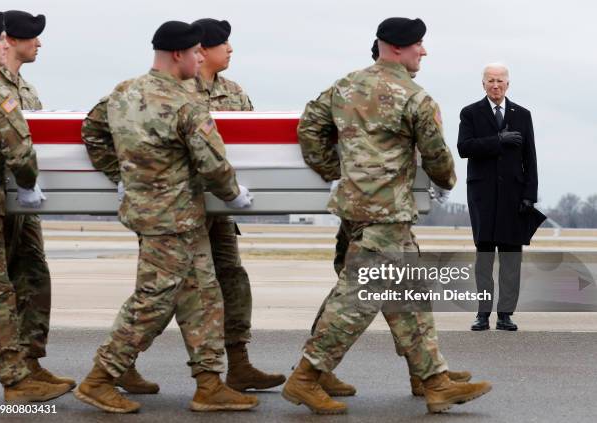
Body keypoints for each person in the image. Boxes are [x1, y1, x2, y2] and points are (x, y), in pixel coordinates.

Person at [283, 17, 492, 414]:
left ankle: (432, 378)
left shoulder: (345, 85)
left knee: (408, 292)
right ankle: (306, 377)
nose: (423, 52)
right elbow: (438, 158)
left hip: (355, 207)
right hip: (386, 213)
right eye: (419, 45)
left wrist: (336, 169)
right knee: (360, 297)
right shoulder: (415, 97)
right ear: (397, 48)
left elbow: (309, 124)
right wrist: (446, 178)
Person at [76, 20, 259, 413]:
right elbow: (212, 162)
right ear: (178, 54)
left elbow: (91, 131)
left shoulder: (123, 93)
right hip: (172, 219)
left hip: (159, 214)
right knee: (153, 301)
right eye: (195, 52)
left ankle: (209, 384)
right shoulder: (185, 103)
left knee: (203, 297)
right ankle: (100, 378)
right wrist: (234, 194)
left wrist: (121, 173)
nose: (199, 58)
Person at [182, 17, 286, 391]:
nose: (230, 49)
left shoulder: (234, 92)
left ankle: (238, 364)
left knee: (233, 280)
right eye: (223, 43)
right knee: (169, 290)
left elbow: (252, 143)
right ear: (202, 50)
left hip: (222, 208)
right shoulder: (175, 88)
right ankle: (120, 365)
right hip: (180, 208)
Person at [0, 11, 71, 402]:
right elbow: (21, 149)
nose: (6, 44)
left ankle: (27, 364)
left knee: (29, 274)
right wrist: (29, 183)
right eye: (0, 40)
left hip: (8, 204)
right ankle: (15, 381)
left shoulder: (24, 89)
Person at [457, 63, 538, 332]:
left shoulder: (523, 115)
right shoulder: (471, 113)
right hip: (482, 197)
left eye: (500, 81)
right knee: (484, 261)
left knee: (511, 261)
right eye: (491, 81)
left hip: (514, 199)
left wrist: (529, 195)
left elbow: (531, 159)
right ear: (483, 84)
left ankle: (505, 315)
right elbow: (464, 148)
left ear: (507, 84)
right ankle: (482, 314)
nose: (495, 85)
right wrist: (498, 139)